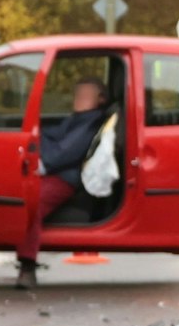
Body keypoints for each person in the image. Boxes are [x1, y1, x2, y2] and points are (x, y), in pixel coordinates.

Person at [17, 78, 110, 290]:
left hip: (63, 176)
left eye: (85, 94)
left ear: (101, 100)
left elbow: (63, 153)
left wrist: (40, 163)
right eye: (77, 94)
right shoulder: (78, 118)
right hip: (56, 170)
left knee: (30, 205)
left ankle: (27, 266)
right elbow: (54, 136)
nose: (78, 99)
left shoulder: (90, 121)